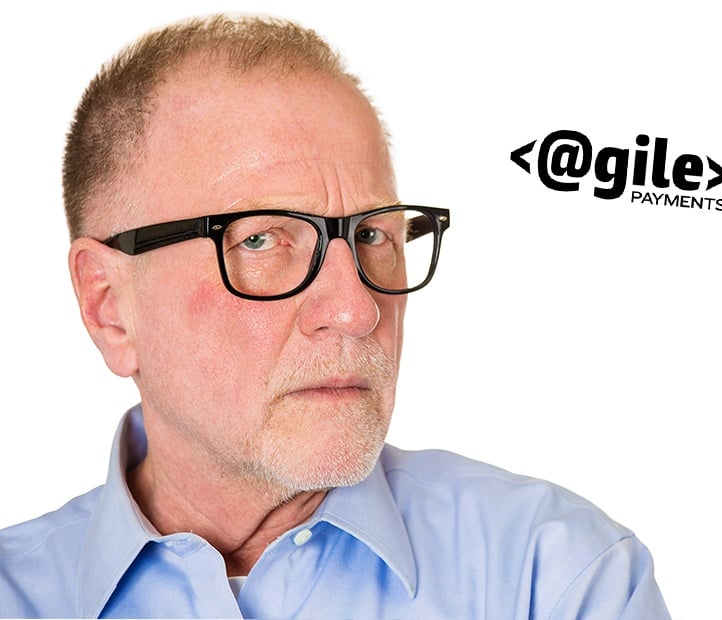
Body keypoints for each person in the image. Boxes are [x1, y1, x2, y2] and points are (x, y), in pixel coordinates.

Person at [0, 13, 670, 619]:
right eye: (260, 240)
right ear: (108, 307)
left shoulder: (555, 580)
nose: (355, 309)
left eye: (375, 234)